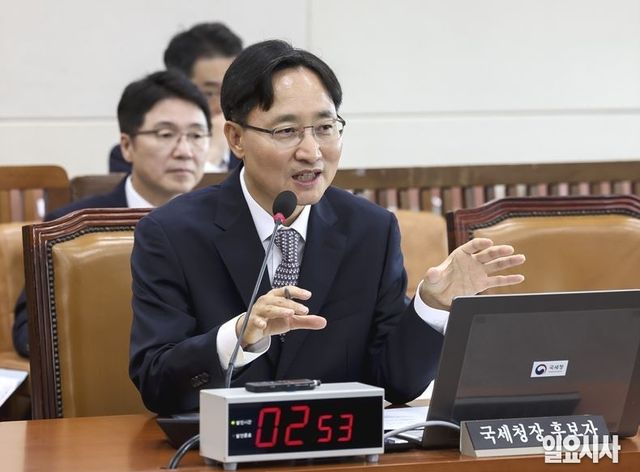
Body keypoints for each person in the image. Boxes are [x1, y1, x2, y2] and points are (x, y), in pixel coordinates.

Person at [129, 40, 526, 415]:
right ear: (236, 138)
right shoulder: (172, 234)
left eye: (325, 127)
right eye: (286, 131)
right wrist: (238, 335)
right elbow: (156, 383)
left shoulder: (370, 229)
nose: (311, 152)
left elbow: (395, 383)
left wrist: (431, 306)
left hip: (339, 447)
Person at [12, 70, 211, 358]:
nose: (185, 151)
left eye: (196, 135)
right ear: (127, 146)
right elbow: (28, 333)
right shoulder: (70, 230)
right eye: (166, 134)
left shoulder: (222, 224)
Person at [110, 22, 243, 174]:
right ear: (177, 88)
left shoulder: (250, 151)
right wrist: (212, 154)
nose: (222, 106)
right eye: (209, 93)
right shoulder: (134, 154)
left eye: (230, 90)